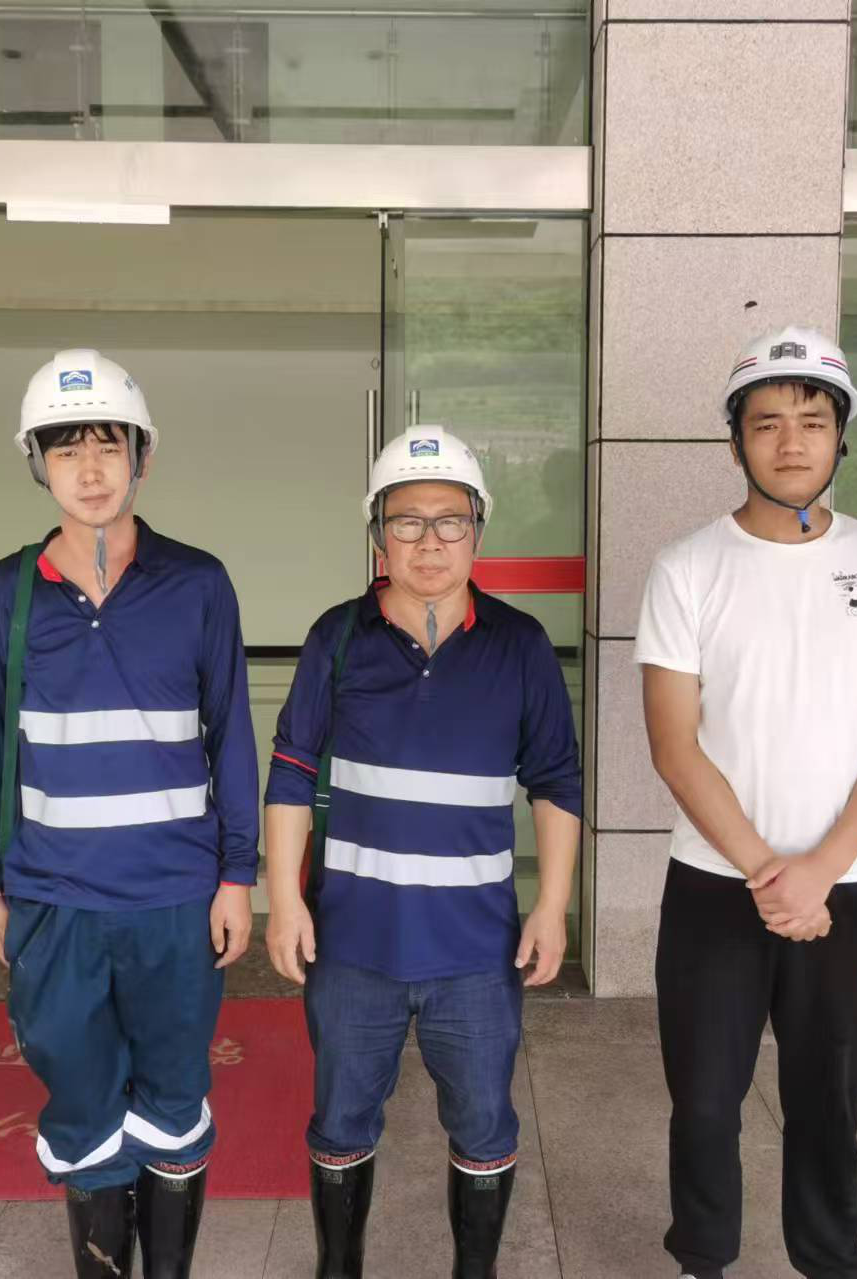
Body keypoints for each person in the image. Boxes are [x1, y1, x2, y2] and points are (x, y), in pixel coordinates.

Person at [636, 327, 857, 1279]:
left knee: (829, 1100)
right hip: (714, 886)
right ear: (736, 442)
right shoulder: (686, 567)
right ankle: (703, 1259)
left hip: (847, 890)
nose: (792, 440)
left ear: (842, 436)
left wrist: (820, 871)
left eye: (813, 419)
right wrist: (771, 872)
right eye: (767, 422)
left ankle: (829, 1259)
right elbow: (675, 745)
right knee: (704, 1102)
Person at [0, 348, 259, 1279]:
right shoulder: (7, 593)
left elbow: (231, 736)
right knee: (84, 1112)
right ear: (38, 463)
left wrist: (237, 876)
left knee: (173, 1104)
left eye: (107, 446)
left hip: (174, 899)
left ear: (142, 455)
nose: (89, 470)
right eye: (65, 449)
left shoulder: (199, 583)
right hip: (56, 903)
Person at [262, 425, 582, 1279]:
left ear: (478, 529)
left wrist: (552, 906)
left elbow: (555, 780)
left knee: (483, 1124)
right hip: (351, 944)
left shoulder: (520, 645)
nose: (429, 542)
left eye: (450, 521)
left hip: (476, 950)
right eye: (407, 521)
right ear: (378, 532)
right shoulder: (337, 637)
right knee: (340, 1122)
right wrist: (284, 901)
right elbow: (291, 772)